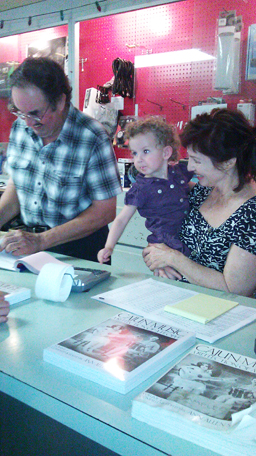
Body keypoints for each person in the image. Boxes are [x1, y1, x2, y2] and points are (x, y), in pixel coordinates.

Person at [0, 57, 122, 262]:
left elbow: (105, 211)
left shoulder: (92, 137)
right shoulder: (20, 128)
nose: (28, 122)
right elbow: (18, 186)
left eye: (36, 113)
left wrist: (42, 240)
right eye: (20, 112)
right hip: (28, 244)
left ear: (60, 101)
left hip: (78, 249)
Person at [143, 108, 256, 297]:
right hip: (179, 300)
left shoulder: (251, 213)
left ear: (228, 162)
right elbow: (162, 240)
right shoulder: (201, 192)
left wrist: (173, 259)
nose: (190, 167)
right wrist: (160, 262)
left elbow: (235, 288)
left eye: (197, 160)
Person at [97, 116, 194, 265]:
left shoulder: (178, 172)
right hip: (164, 246)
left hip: (190, 239)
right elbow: (122, 219)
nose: (139, 159)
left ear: (166, 153)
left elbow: (198, 186)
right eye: (134, 153)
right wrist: (109, 246)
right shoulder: (141, 189)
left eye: (146, 151)